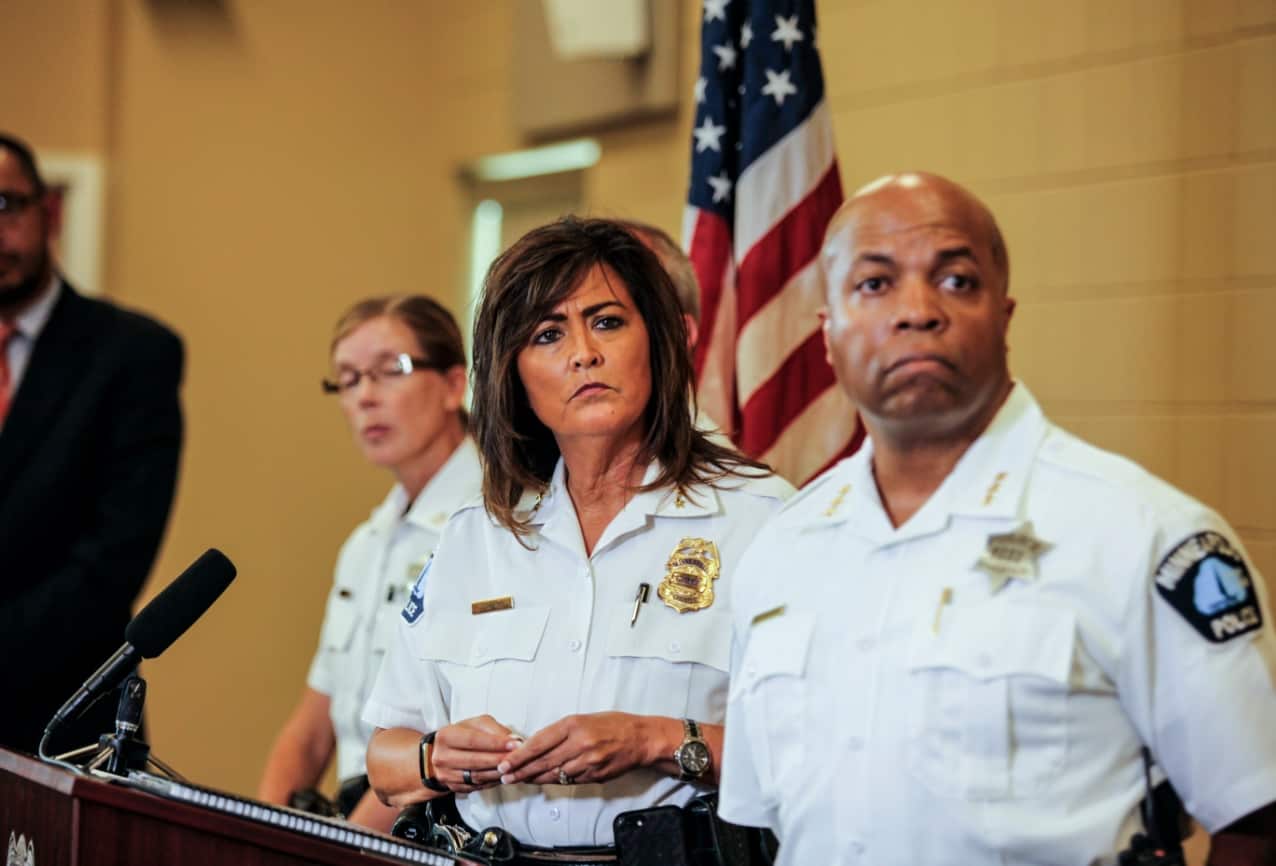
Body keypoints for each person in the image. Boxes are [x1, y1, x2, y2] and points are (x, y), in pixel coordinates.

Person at [717, 171, 1276, 864]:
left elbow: (1257, 818)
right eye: (875, 284)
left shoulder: (1142, 534)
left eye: (955, 281)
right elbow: (767, 818)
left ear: (1004, 317)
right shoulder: (782, 551)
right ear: (826, 335)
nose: (917, 310)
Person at [362, 217, 791, 860]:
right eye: (547, 334)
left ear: (659, 342)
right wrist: (434, 759)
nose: (582, 352)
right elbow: (384, 757)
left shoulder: (761, 518)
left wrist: (656, 740)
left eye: (608, 322)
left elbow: (817, 747)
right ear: (514, 374)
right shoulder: (476, 536)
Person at [257, 295, 481, 831]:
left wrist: (347, 848)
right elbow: (313, 727)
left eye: (390, 371)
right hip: (350, 825)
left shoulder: (492, 525)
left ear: (454, 384)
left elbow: (448, 733)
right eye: (349, 379)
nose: (366, 397)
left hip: (430, 828)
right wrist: (256, 830)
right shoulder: (366, 543)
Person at [0, 132, 183, 755]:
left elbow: (111, 562)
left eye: (6, 205)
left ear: (47, 212)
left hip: (63, 720)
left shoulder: (132, 354)